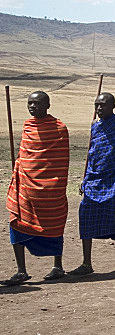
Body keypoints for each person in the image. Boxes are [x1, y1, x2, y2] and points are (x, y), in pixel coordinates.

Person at [3, 91, 70, 285]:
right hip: (25, 186)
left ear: (47, 105)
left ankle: (57, 266)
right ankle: (21, 270)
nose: (32, 107)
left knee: (55, 224)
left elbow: (60, 161)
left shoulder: (59, 128)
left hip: (51, 189)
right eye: (29, 103)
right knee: (16, 222)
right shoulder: (27, 126)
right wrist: (20, 166)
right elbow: (25, 154)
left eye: (37, 103)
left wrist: (55, 184)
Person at [69, 92, 115, 276]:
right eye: (96, 105)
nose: (99, 109)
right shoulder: (95, 128)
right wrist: (86, 178)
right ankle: (86, 263)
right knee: (86, 214)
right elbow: (93, 155)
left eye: (103, 105)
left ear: (112, 106)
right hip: (94, 180)